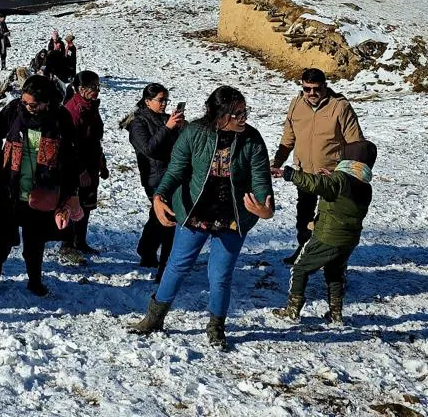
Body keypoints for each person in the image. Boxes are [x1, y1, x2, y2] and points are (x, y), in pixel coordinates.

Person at [128, 85, 275, 350]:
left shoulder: (252, 139)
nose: (244, 118)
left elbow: (261, 180)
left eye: (245, 112)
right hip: (195, 211)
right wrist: (159, 197)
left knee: (220, 275)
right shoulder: (194, 132)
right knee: (177, 266)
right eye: (237, 113)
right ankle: (154, 318)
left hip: (232, 216)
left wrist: (266, 208)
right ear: (219, 114)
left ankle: (216, 326)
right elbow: (175, 170)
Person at [0, 76, 82, 297]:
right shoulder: (13, 111)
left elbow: (72, 158)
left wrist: (70, 193)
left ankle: (35, 280)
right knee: (0, 240)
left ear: (47, 102)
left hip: (42, 192)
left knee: (35, 242)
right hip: (9, 188)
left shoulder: (60, 118)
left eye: (33, 104)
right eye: (24, 102)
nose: (27, 107)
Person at [273, 139, 377, 324]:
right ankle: (336, 313)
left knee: (300, 268)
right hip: (349, 240)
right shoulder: (364, 186)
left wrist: (290, 174)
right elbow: (341, 190)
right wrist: (332, 177)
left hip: (328, 237)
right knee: (334, 273)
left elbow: (315, 183)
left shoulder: (339, 180)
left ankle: (292, 310)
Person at [272, 68, 364, 265]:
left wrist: (347, 173)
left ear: (325, 86)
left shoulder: (340, 107)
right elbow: (288, 138)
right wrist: (277, 162)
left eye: (317, 89)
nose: (312, 93)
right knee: (304, 215)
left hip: (332, 175)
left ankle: (332, 257)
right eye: (307, 89)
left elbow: (355, 143)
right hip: (304, 172)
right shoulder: (296, 104)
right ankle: (304, 250)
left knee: (329, 218)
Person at [124, 83, 186, 277]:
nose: (164, 104)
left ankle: (146, 250)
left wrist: (181, 127)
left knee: (157, 216)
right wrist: (167, 128)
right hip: (154, 176)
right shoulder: (138, 123)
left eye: (166, 100)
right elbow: (148, 148)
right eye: (160, 100)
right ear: (147, 101)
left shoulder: (165, 118)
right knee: (167, 217)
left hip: (171, 174)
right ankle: (163, 266)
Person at [59, 71, 106, 263]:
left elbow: (94, 139)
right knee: (73, 203)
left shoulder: (90, 106)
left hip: (91, 162)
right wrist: (80, 170)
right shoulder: (73, 110)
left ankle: (80, 241)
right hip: (76, 166)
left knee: (86, 204)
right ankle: (67, 244)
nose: (96, 90)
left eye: (98, 86)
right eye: (92, 87)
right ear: (80, 89)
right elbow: (69, 145)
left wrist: (101, 161)